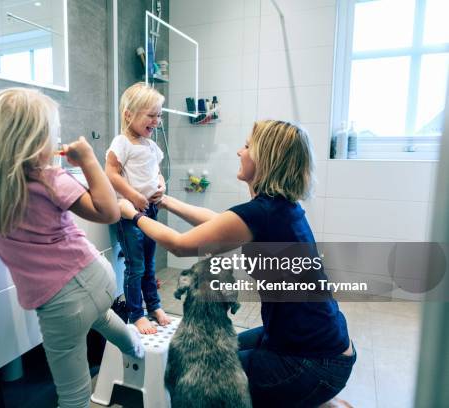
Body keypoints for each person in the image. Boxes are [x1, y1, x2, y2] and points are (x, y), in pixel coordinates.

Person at [119, 120, 356, 407]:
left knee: (204, 375)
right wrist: (165, 200)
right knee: (217, 346)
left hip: (313, 362)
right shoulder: (279, 207)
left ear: (265, 158)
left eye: (247, 146)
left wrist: (133, 215)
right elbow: (218, 223)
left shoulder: (265, 212)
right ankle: (315, 399)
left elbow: (180, 246)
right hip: (322, 345)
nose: (239, 152)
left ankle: (315, 396)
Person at [0, 88, 144, 408]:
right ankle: (133, 346)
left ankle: (130, 346)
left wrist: (92, 162)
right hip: (97, 278)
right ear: (37, 140)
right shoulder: (50, 178)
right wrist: (88, 161)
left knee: (73, 394)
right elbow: (108, 210)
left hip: (60, 305)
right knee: (99, 315)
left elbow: (109, 213)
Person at [105, 82, 171, 334]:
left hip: (150, 211)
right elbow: (110, 173)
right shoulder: (122, 142)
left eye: (159, 115)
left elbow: (158, 174)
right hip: (129, 215)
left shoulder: (151, 146)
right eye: (151, 115)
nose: (157, 121)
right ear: (129, 115)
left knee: (149, 263)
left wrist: (161, 187)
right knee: (136, 266)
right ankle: (136, 313)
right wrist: (133, 195)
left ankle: (153, 305)